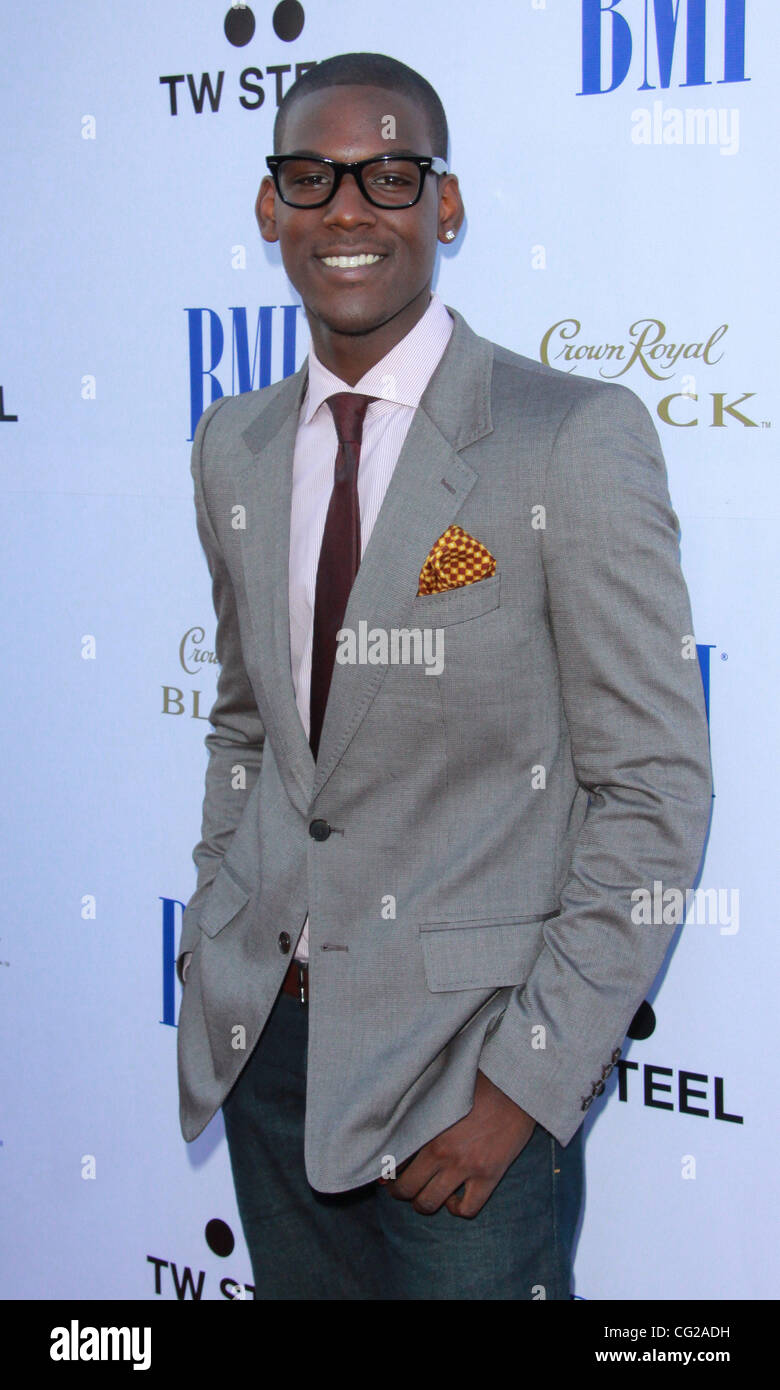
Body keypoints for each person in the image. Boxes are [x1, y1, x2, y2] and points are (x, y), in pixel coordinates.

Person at [176, 51, 712, 1301]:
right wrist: (217, 930)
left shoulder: (568, 437)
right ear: (271, 212)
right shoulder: (233, 446)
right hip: (268, 1047)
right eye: (311, 176)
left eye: (389, 173)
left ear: (446, 205)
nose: (347, 207)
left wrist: (526, 1079)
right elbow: (248, 728)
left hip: (462, 1079)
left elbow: (652, 792)